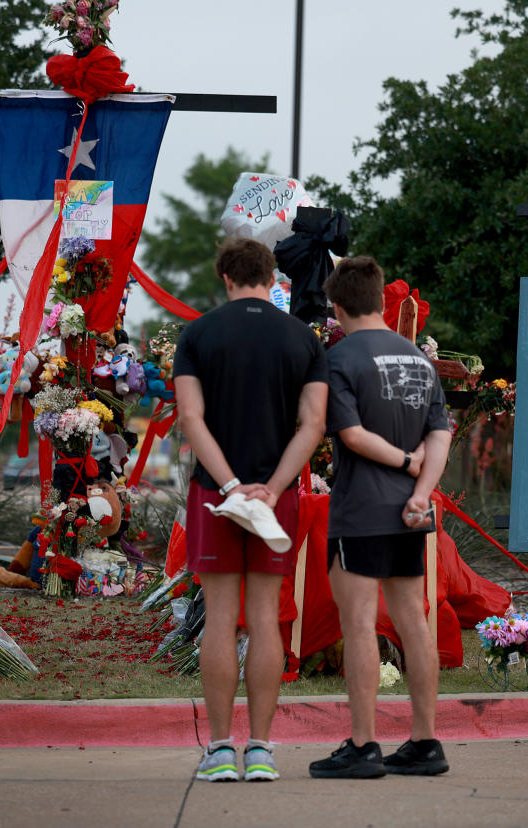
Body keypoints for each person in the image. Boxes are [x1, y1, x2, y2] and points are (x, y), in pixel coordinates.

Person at [173, 237, 328, 782]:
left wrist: (232, 484)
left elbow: (191, 419)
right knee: (265, 619)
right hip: (277, 495)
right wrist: (272, 486)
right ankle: (260, 748)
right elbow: (313, 424)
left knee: (220, 620)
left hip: (216, 493)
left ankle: (219, 751)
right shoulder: (303, 338)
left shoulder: (198, 334)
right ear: (271, 277)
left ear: (226, 278)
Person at [308, 256, 453, 779]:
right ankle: (425, 740)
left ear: (339, 306)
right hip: (409, 514)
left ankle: (364, 744)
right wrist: (421, 490)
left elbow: (350, 435)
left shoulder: (341, 359)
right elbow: (442, 433)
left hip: (362, 510)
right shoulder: (418, 358)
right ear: (380, 301)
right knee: (413, 620)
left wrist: (403, 463)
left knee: (360, 623)